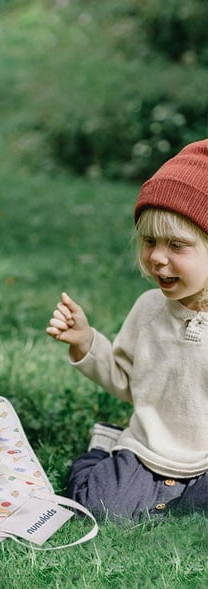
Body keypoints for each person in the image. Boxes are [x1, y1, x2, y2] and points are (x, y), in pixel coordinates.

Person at [46, 139, 208, 522]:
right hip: (149, 450)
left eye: (177, 245)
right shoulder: (149, 310)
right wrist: (86, 343)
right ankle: (104, 450)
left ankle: (175, 506)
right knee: (97, 504)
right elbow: (127, 382)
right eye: (149, 241)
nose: (156, 257)